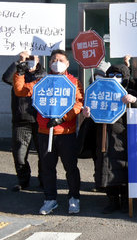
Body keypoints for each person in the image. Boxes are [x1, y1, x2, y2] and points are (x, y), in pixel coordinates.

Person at [13, 49, 84, 215]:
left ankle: (74, 197)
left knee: (71, 168)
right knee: (47, 169)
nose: (56, 62)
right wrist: (20, 72)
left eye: (60, 60)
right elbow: (20, 91)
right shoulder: (41, 81)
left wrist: (63, 118)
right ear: (49, 63)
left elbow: (78, 104)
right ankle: (50, 199)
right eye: (53, 59)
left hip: (66, 133)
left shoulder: (74, 82)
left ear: (67, 64)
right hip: (45, 132)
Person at [83, 64, 137, 214]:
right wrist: (87, 113)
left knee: (125, 170)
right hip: (104, 138)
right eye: (112, 74)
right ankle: (112, 201)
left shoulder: (130, 92)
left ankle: (127, 201)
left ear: (125, 77)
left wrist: (133, 101)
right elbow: (91, 113)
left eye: (119, 75)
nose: (114, 78)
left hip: (124, 140)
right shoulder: (99, 92)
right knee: (106, 170)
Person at [2, 51, 46, 192]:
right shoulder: (18, 73)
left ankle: (43, 181)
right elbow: (6, 78)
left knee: (43, 154)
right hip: (21, 120)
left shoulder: (44, 75)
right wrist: (20, 62)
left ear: (39, 59)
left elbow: (43, 81)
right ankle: (23, 180)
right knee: (19, 154)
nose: (31, 60)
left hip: (40, 120)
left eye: (33, 58)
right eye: (29, 58)